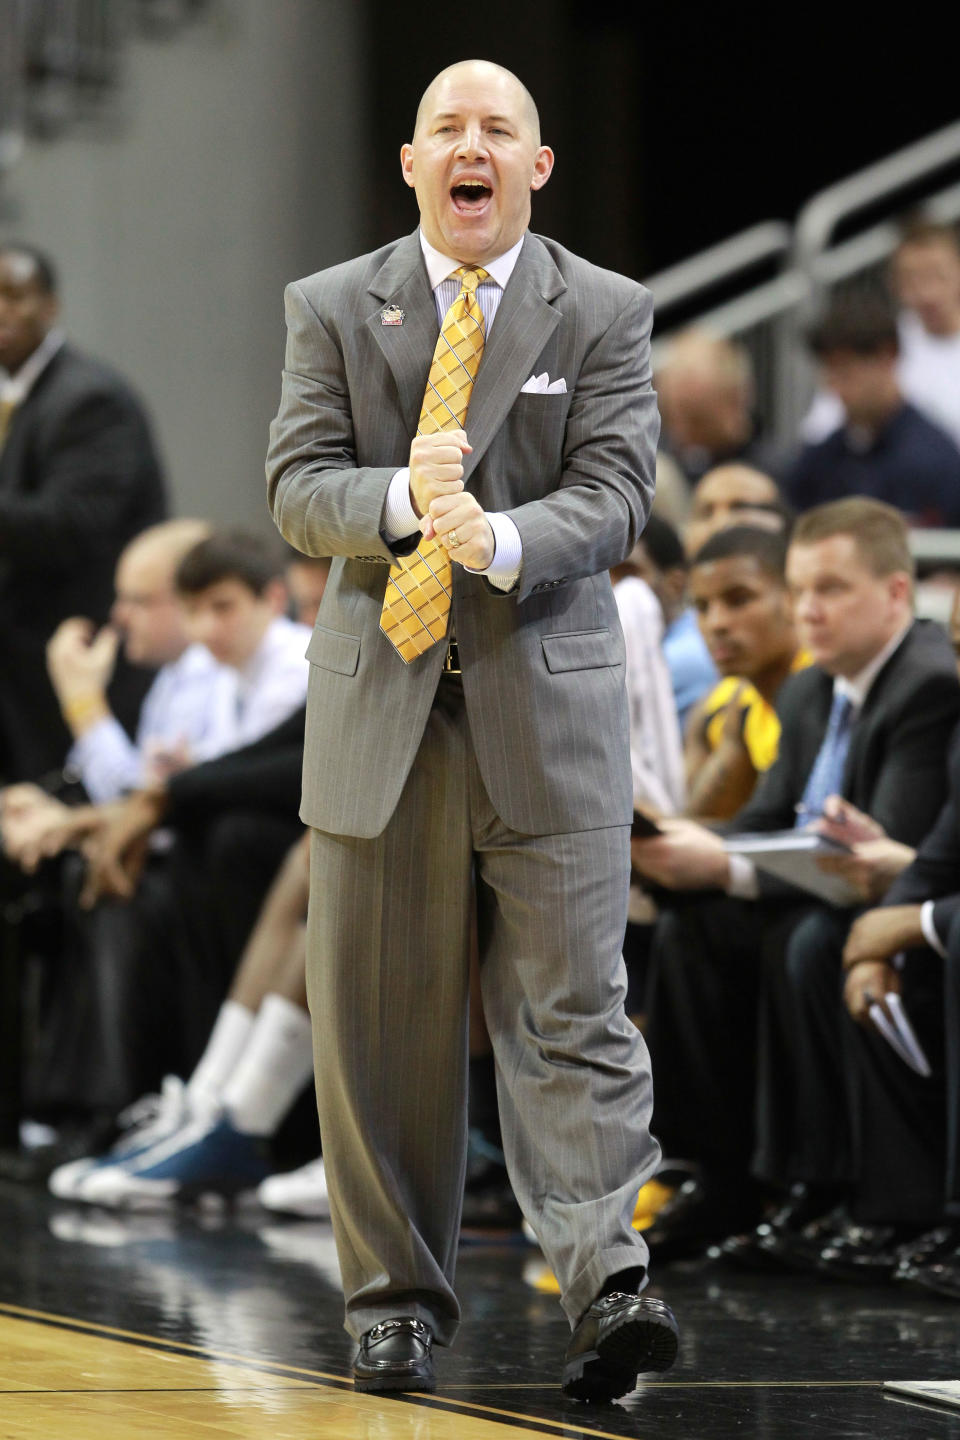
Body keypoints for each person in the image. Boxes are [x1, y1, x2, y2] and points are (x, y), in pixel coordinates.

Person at [265, 59, 678, 1401]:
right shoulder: (332, 304)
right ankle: (392, 1300)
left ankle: (609, 1280)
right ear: (411, 161)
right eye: (450, 126)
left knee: (575, 1008)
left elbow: (618, 492)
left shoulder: (602, 310)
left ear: (538, 168)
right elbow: (294, 488)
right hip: (382, 708)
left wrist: (501, 537)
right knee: (380, 1030)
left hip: (545, 704)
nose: (474, 144)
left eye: (500, 128)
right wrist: (401, 503)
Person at [630, 498, 960, 1258]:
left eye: (831, 589)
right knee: (695, 925)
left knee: (808, 942)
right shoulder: (816, 689)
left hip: (896, 904)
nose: (809, 610)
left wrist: (728, 866)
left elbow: (889, 860)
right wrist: (689, 840)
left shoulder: (925, 685)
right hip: (831, 899)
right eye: (802, 589)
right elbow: (770, 817)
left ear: (897, 594)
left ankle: (845, 1188)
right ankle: (723, 1177)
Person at [0, 243, 167, 781]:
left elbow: (68, 525)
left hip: (76, 647)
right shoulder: (16, 393)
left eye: (15, 295)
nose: (1, 310)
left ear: (49, 307)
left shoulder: (89, 400)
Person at [785, 292, 960, 523]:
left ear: (887, 357)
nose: (834, 386)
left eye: (844, 371)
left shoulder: (935, 461)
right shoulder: (822, 459)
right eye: (828, 371)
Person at [684, 525, 807, 820]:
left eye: (739, 599)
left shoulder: (829, 687)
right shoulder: (726, 703)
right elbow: (705, 821)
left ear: (792, 598)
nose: (716, 623)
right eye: (702, 607)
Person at [803, 220, 960, 452]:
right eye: (912, 280)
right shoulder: (877, 345)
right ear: (895, 285)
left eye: (937, 275)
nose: (927, 293)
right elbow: (819, 429)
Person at [655, 330, 783, 487]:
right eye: (673, 415)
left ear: (736, 398)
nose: (682, 430)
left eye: (698, 418)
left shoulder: (773, 477)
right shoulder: (657, 472)